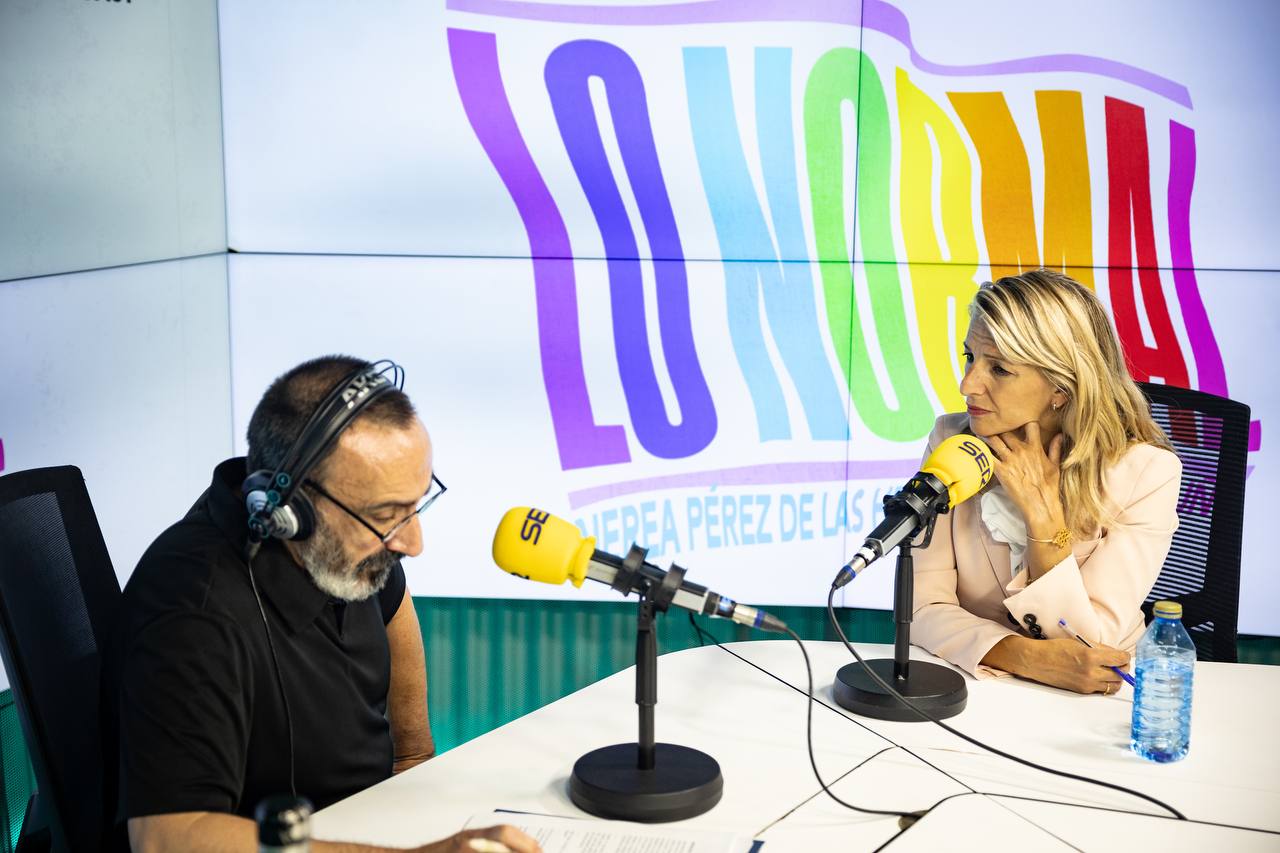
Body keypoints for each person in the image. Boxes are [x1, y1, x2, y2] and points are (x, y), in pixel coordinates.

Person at [116, 356, 539, 852]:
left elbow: (413, 751)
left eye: (416, 505)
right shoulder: (194, 610)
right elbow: (169, 837)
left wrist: (422, 824)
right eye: (387, 515)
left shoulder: (355, 554)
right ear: (290, 511)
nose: (413, 542)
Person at [911, 270, 1182, 695]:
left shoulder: (1145, 473)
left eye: (998, 368)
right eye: (970, 357)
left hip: (1103, 701)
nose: (967, 385)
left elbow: (1090, 649)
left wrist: (1043, 518)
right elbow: (921, 606)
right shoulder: (951, 440)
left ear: (1060, 385)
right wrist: (1022, 656)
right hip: (978, 684)